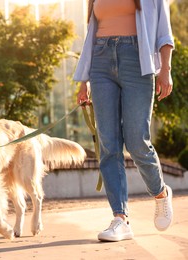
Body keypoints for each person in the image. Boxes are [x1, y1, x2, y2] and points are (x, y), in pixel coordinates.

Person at [74, 0, 174, 242]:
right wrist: (83, 80)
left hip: (137, 61)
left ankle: (160, 193)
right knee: (109, 144)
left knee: (137, 140)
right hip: (100, 61)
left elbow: (163, 29)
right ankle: (120, 218)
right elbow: (90, 35)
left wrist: (165, 69)